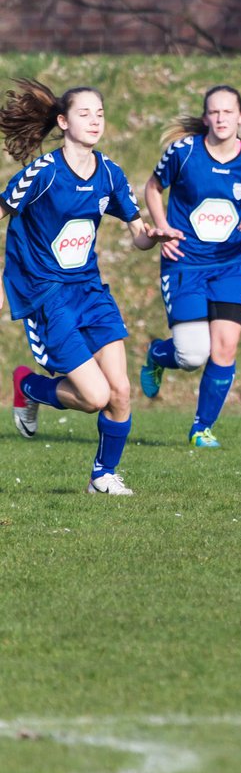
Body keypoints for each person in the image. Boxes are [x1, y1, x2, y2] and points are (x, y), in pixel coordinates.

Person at [0, 78, 176, 494]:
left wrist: (151, 236)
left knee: (120, 391)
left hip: (91, 292)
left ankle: (102, 477)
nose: (95, 120)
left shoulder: (110, 174)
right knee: (95, 396)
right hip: (47, 295)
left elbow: (136, 234)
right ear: (63, 121)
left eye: (100, 113)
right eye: (84, 113)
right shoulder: (43, 173)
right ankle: (27, 384)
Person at [137, 85, 241, 448]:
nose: (221, 119)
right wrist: (164, 230)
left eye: (228, 112)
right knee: (191, 355)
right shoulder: (183, 153)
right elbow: (152, 188)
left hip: (231, 265)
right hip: (185, 263)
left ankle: (202, 428)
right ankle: (157, 354)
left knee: (225, 348)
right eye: (214, 113)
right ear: (205, 119)